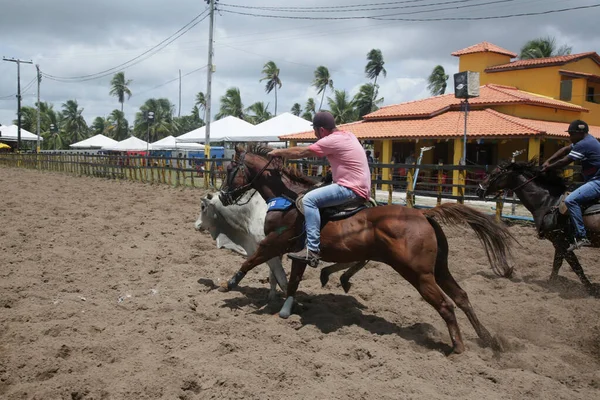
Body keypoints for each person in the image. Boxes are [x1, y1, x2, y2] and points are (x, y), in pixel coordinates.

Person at [268, 111, 371, 267]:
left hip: (350, 188)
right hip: (359, 185)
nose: (315, 134)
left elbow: (302, 152)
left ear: (321, 130)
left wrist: (278, 152)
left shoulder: (331, 140)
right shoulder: (348, 135)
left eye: (315, 130)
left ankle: (312, 249)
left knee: (309, 199)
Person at [542, 119, 600, 251]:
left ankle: (581, 236)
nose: (570, 137)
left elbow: (565, 161)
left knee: (570, 200)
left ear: (580, 133)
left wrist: (548, 167)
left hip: (597, 182)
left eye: (572, 134)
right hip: (593, 180)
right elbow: (565, 149)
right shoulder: (586, 141)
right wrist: (548, 160)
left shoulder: (584, 144)